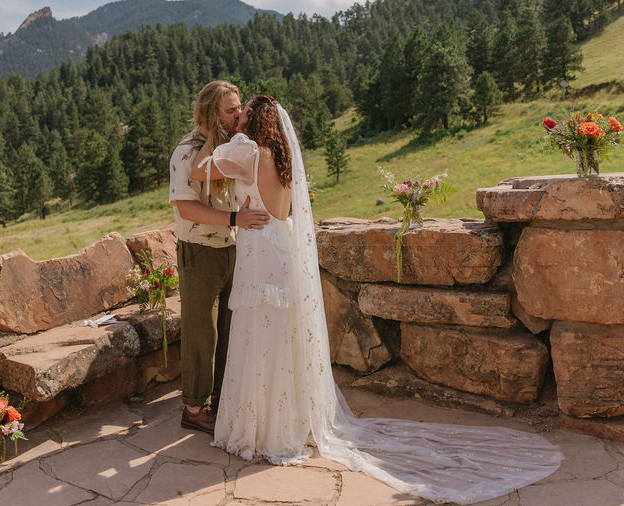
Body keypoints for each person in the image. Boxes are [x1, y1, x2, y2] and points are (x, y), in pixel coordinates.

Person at [192, 95, 563, 504]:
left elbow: (198, 170)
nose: (237, 116)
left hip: (259, 252)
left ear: (254, 121)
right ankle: (288, 422)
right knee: (280, 335)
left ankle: (262, 428)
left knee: (257, 333)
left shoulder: (245, 149)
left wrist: (213, 132)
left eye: (242, 112)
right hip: (280, 248)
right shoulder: (279, 157)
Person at [168, 80, 270, 434]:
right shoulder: (185, 152)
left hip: (230, 248)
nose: (239, 114)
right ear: (212, 113)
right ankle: (194, 409)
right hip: (200, 251)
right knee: (202, 332)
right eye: (231, 109)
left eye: (239, 107)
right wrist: (234, 219)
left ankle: (219, 401)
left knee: (228, 328)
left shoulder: (230, 147)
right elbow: (185, 207)